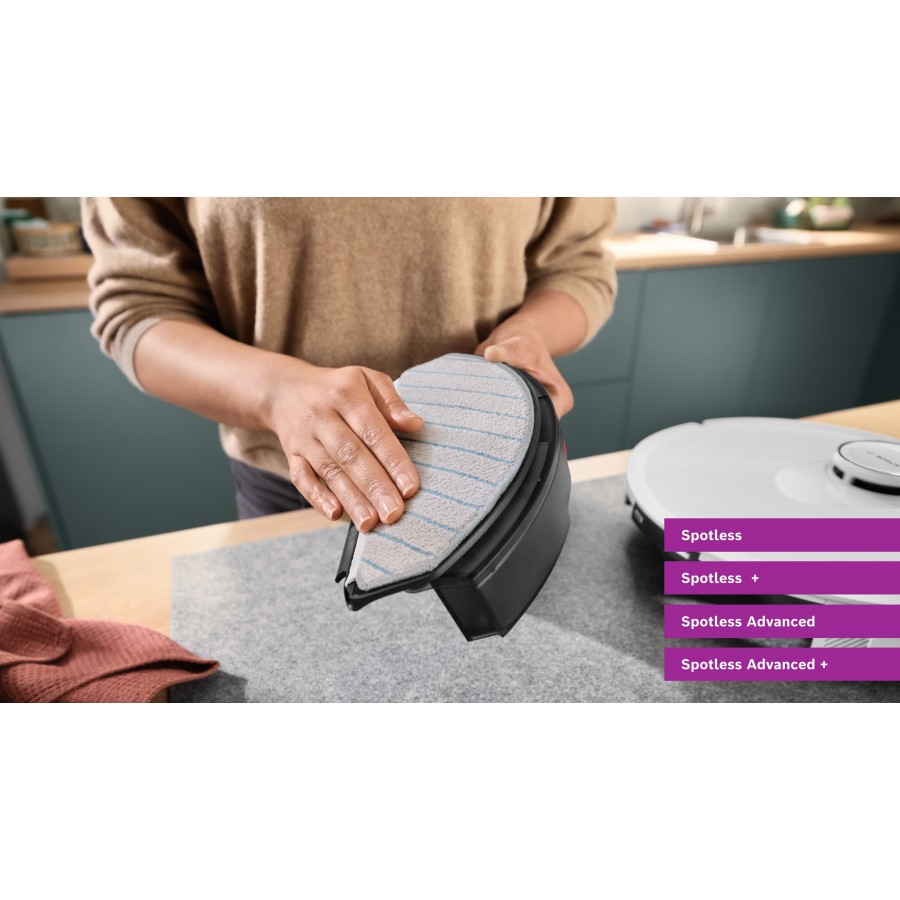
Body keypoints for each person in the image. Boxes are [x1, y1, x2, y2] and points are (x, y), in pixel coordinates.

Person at [82, 198, 617, 530]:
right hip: (298, 488)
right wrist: (278, 393)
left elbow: (577, 266)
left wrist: (529, 334)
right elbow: (137, 309)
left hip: (494, 468)